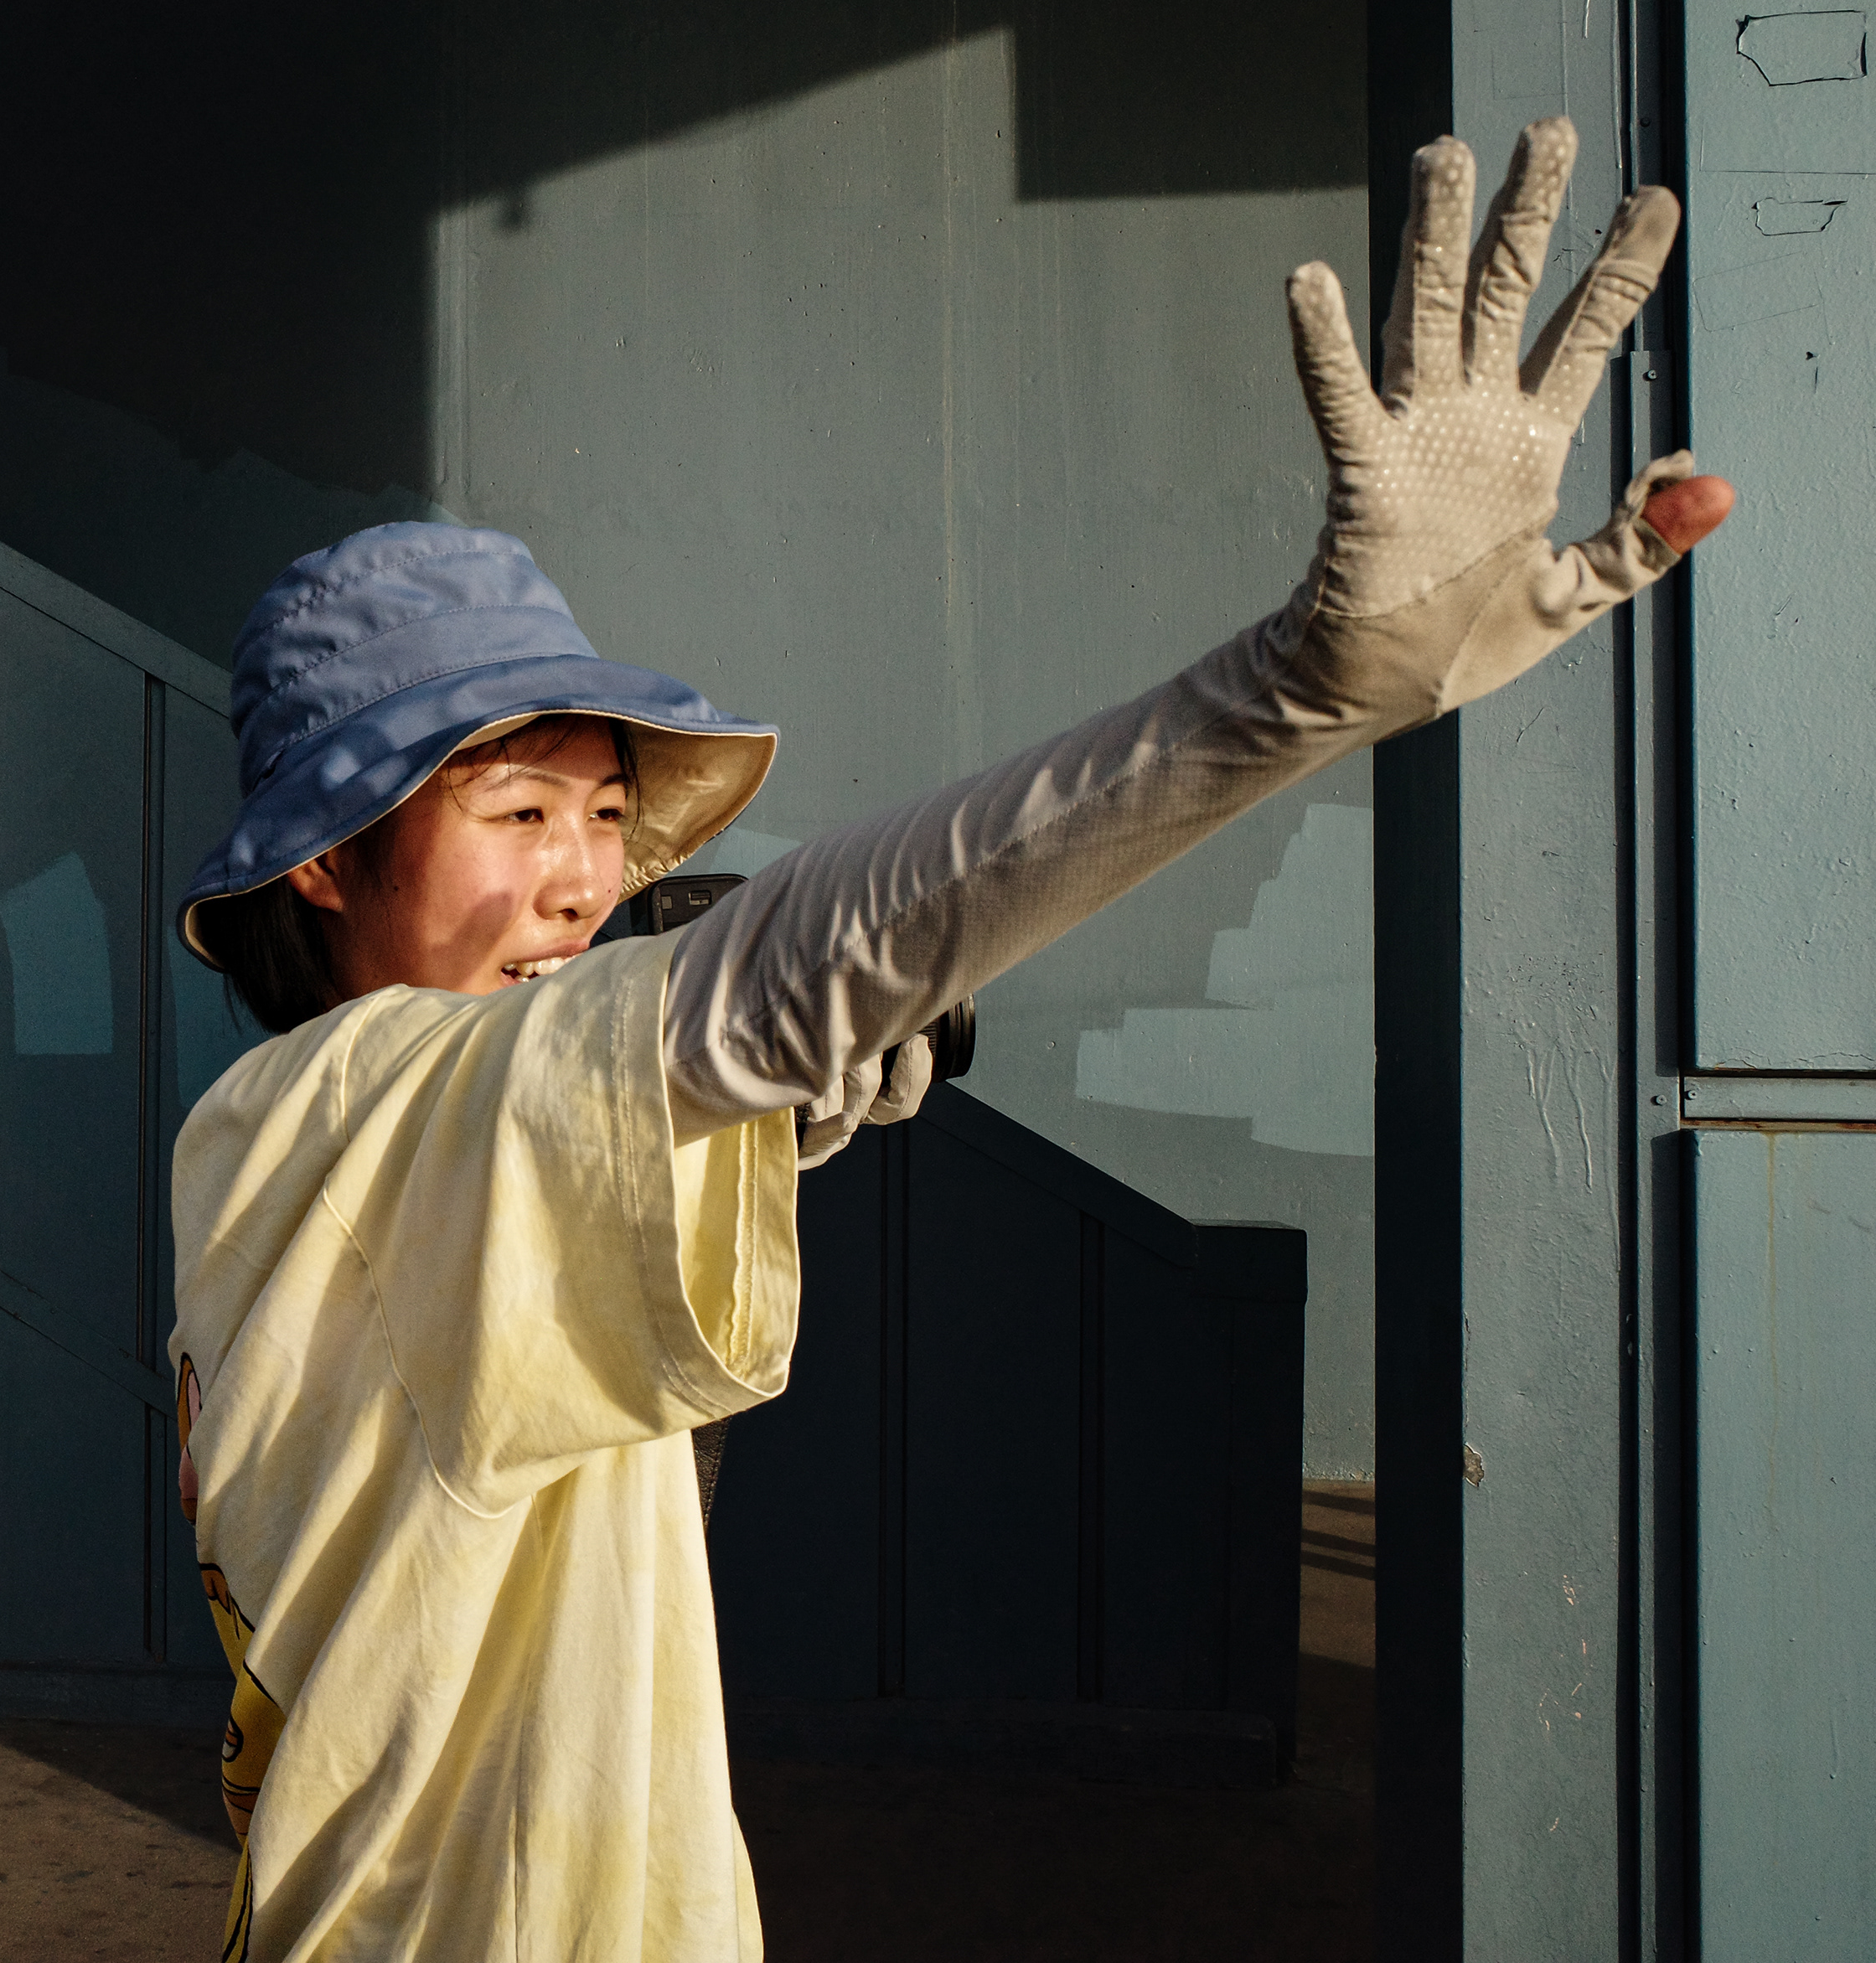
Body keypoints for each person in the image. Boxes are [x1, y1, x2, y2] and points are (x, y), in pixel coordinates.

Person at [163, 119, 1738, 1962]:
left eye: (601, 815)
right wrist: (1292, 695)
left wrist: (758, 1114)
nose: (584, 879)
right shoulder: (366, 1101)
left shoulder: (303, 1139)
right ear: (329, 859)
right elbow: (798, 960)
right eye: (516, 815)